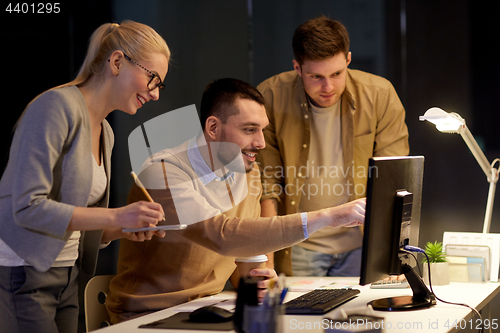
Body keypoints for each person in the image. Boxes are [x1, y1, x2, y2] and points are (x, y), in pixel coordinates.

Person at [106, 78, 366, 323]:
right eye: (249, 129)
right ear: (213, 127)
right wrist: (328, 217)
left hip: (209, 309)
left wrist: (258, 277)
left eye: (262, 130)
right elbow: (218, 234)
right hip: (148, 314)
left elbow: (244, 255)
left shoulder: (248, 172)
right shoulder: (162, 172)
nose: (261, 142)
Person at [0, 21, 170, 333]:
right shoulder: (55, 106)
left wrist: (119, 229)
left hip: (67, 274)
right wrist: (113, 215)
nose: (156, 94)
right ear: (117, 62)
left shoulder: (105, 131)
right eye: (153, 78)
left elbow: (77, 223)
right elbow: (27, 207)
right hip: (24, 272)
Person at [256, 16, 409, 277]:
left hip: (362, 244)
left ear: (348, 60)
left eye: (337, 74)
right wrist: (265, 262)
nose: (328, 87)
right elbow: (267, 187)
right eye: (316, 76)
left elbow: (392, 181)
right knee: (299, 318)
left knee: (364, 317)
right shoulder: (270, 97)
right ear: (297, 67)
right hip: (298, 246)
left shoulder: (380, 95)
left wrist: (390, 254)